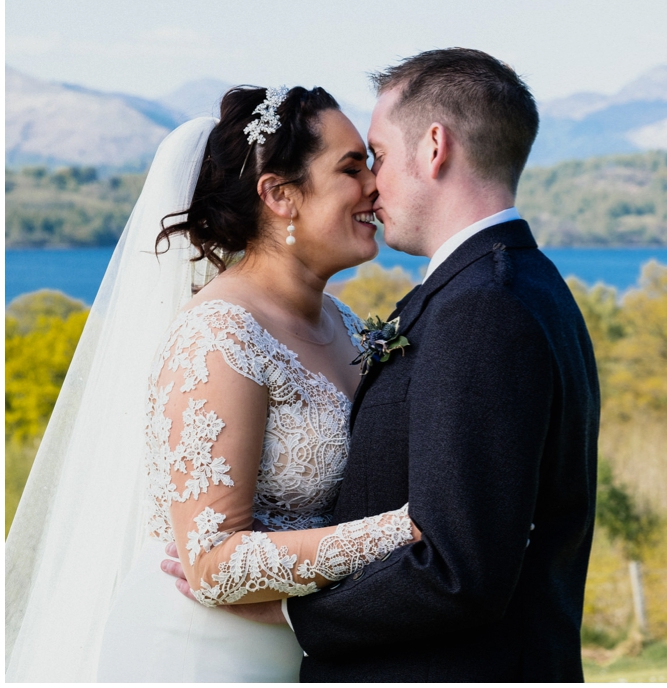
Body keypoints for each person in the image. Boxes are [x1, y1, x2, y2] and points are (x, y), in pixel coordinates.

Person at [194, 48, 604, 681]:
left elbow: (457, 567)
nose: (371, 184)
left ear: (434, 147)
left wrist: (297, 617)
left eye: (376, 158)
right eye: (355, 165)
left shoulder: (482, 306)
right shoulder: (512, 285)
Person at [5, 85, 420, 681]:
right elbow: (214, 565)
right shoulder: (220, 335)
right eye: (352, 168)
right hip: (205, 651)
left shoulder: (348, 326)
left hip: (307, 643)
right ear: (280, 194)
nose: (376, 186)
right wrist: (405, 528)